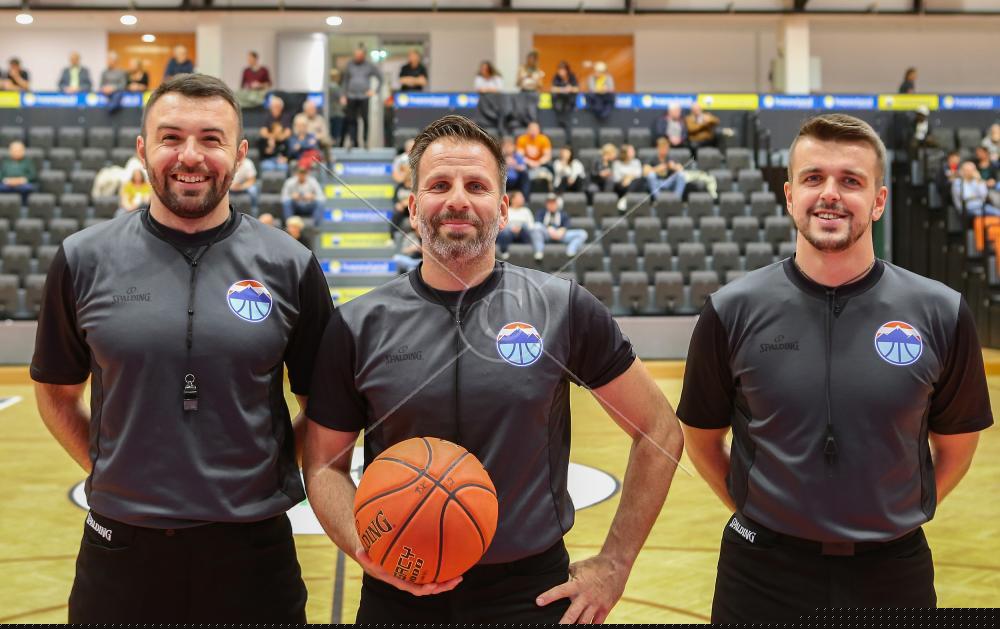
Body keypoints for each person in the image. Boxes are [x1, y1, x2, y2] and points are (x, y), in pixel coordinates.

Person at [302, 114, 684, 623]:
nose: (458, 200)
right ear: (413, 207)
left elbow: (659, 429)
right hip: (397, 591)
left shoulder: (563, 308)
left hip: (530, 595)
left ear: (502, 209)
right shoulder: (357, 324)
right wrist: (364, 546)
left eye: (477, 186)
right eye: (439, 185)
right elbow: (323, 464)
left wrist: (615, 564)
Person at [30, 73, 332, 623]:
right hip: (120, 549)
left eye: (212, 139)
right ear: (142, 149)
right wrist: (109, 467)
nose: (190, 156)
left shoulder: (291, 266)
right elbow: (55, 392)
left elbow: (325, 408)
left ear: (240, 154)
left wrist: (264, 470)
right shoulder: (82, 259)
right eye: (170, 137)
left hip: (254, 552)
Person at [677, 113, 993, 623]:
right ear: (789, 196)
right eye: (813, 178)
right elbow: (701, 439)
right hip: (761, 573)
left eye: (850, 181)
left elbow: (957, 446)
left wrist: (892, 513)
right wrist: (758, 513)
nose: (830, 193)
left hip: (893, 570)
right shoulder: (730, 310)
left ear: (879, 200)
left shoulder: (941, 312)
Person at [341, 47, 383, 149]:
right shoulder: (349, 65)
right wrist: (343, 95)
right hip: (351, 96)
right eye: (356, 55)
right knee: (351, 119)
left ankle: (365, 141)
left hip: (364, 96)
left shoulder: (369, 66)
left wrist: (375, 91)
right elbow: (345, 81)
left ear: (364, 56)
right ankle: (353, 141)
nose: (357, 57)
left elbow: (380, 78)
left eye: (359, 55)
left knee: (365, 119)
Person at [496, 190, 536, 257]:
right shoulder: (507, 210)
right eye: (520, 197)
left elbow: (531, 226)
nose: (522, 199)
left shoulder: (526, 211)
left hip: (523, 233)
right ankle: (503, 251)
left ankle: (529, 253)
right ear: (513, 199)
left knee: (525, 227)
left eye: (522, 197)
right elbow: (501, 224)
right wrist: (511, 228)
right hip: (509, 232)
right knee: (505, 232)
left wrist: (520, 228)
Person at [550, 61, 579, 137]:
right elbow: (553, 89)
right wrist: (563, 89)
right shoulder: (556, 77)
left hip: (569, 102)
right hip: (559, 101)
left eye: (563, 70)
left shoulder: (572, 76)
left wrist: (570, 88)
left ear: (567, 70)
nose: (561, 72)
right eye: (559, 70)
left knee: (569, 121)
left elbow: (577, 89)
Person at [327, 68, 346, 147]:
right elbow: (343, 101)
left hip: (329, 113)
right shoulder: (337, 88)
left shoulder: (326, 88)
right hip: (337, 114)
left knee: (330, 133)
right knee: (336, 135)